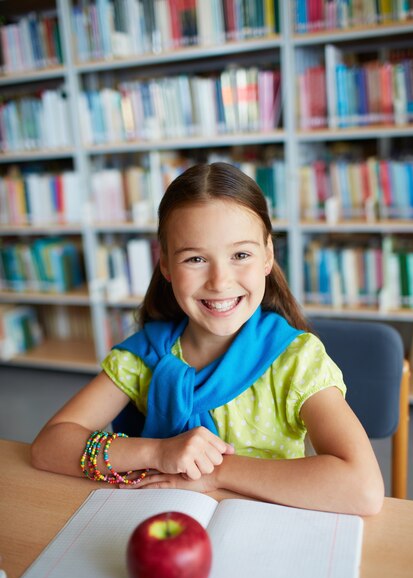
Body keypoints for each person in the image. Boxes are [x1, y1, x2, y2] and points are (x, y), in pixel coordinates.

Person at [31, 162, 384, 515]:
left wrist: (216, 473)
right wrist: (157, 452)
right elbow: (49, 445)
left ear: (268, 255)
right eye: (196, 258)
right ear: (166, 265)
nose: (219, 281)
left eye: (241, 255)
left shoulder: (297, 360)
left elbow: (363, 488)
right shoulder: (143, 357)